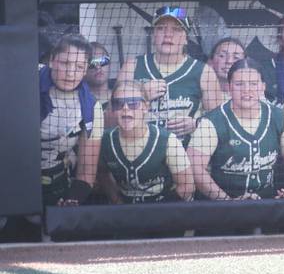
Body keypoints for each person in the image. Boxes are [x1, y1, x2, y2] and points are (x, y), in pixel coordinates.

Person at [188, 58, 284, 200]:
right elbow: (195, 168)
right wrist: (226, 201)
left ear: (263, 87)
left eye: (253, 84)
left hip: (268, 204)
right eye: (239, 84)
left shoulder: (278, 117)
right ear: (229, 87)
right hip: (223, 207)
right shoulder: (211, 122)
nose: (246, 90)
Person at [117, 6, 224, 141]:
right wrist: (140, 95)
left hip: (187, 155)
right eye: (161, 28)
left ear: (186, 38)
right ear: (154, 35)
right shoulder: (132, 67)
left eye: (177, 29)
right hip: (138, 153)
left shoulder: (204, 72)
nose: (168, 34)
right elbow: (110, 120)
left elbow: (220, 123)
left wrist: (196, 124)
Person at [99, 81, 194, 203]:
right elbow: (102, 174)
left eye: (133, 103)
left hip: (164, 211)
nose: (126, 109)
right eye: (118, 104)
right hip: (124, 214)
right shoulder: (105, 141)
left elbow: (187, 187)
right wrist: (118, 203)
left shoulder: (167, 141)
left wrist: (158, 212)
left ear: (145, 107)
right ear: (113, 109)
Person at [39, 34, 105, 206]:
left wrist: (72, 200)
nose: (70, 73)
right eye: (65, 63)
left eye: (79, 66)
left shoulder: (91, 108)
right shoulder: (23, 80)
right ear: (52, 61)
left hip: (56, 186)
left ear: (85, 70)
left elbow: (86, 172)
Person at [208, 37, 246, 101]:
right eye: (222, 56)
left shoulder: (254, 96)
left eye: (236, 57)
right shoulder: (198, 95)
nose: (229, 61)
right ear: (210, 62)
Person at [85, 42, 112, 111]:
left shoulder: (120, 96)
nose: (98, 67)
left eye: (102, 61)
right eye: (92, 63)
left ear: (110, 65)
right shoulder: (79, 100)